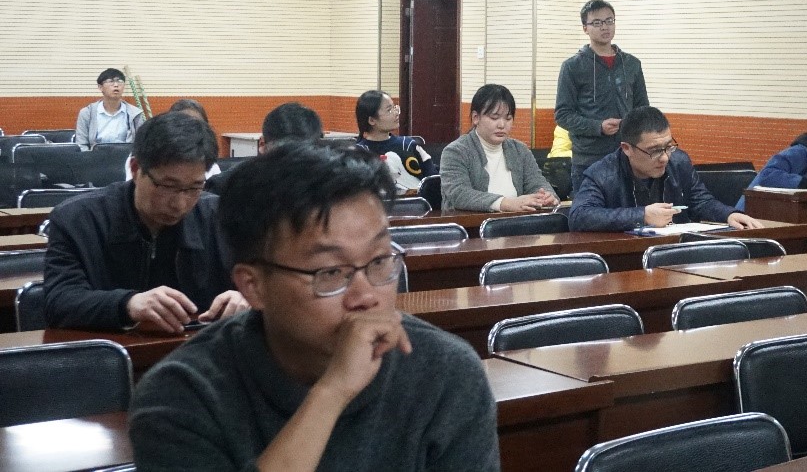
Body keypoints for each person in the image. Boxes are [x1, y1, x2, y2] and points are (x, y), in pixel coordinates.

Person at [129, 141, 500, 472]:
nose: (366, 296)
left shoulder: (445, 372)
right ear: (253, 287)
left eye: (379, 261)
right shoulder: (182, 397)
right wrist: (332, 393)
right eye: (331, 272)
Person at [44, 111, 248, 332]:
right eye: (167, 186)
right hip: (114, 350)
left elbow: (260, 282)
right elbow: (59, 302)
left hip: (203, 348)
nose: (179, 204)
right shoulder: (78, 220)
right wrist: (127, 305)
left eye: (194, 188)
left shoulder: (219, 217)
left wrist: (246, 297)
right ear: (135, 169)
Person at [568, 106, 763, 232]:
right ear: (627, 149)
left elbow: (701, 201)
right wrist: (642, 216)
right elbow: (579, 216)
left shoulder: (678, 162)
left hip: (675, 254)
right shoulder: (602, 174)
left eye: (668, 146)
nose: (664, 157)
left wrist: (728, 214)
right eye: (654, 150)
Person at [555, 0, 650, 195]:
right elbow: (563, 115)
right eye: (597, 23)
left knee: (628, 210)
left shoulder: (632, 64)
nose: (605, 27)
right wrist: (598, 127)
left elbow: (643, 110)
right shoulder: (573, 66)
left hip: (627, 155)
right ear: (585, 28)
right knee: (589, 211)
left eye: (609, 21)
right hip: (588, 159)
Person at [440, 84, 559, 213]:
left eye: (508, 118)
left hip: (517, 221)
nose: (502, 125)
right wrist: (505, 203)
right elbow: (459, 194)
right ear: (476, 118)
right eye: (494, 118)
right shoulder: (455, 152)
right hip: (470, 223)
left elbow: (537, 183)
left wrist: (546, 197)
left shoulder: (520, 150)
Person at [354, 90, 437, 191]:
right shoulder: (358, 154)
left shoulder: (409, 144)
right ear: (372, 120)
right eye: (389, 110)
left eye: (394, 107)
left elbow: (433, 179)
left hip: (418, 200)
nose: (396, 113)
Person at [73, 67, 144, 148]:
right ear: (100, 87)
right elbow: (81, 144)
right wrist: (89, 155)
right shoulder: (87, 113)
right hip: (95, 155)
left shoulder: (135, 114)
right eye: (111, 81)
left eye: (120, 81)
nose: (116, 85)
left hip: (125, 155)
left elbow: (141, 144)